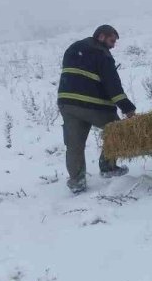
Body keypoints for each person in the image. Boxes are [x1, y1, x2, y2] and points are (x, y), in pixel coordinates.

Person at [57, 25, 136, 194]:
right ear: (101, 37)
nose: (113, 45)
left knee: (74, 145)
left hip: (67, 104)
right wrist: (128, 109)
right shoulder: (102, 54)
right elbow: (113, 86)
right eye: (111, 40)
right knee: (118, 131)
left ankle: (77, 181)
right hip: (92, 105)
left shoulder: (73, 48)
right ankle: (108, 167)